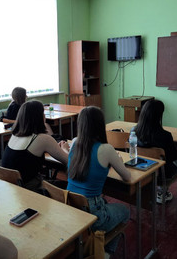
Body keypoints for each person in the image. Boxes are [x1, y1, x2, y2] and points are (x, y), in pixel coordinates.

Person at [67, 106, 131, 255]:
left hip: (71, 209)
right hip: (94, 215)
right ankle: (106, 252)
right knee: (125, 211)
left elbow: (88, 167)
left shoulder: (75, 142)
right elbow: (127, 177)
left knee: (107, 204)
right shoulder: (106, 149)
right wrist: (117, 161)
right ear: (100, 125)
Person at [134, 100, 177, 203]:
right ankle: (163, 191)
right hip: (160, 175)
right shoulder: (165, 135)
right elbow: (172, 157)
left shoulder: (133, 131)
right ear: (159, 115)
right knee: (175, 162)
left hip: (139, 170)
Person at [2, 100, 69, 192]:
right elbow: (68, 161)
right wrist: (64, 149)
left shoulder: (15, 135)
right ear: (39, 117)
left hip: (11, 188)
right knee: (68, 186)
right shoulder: (42, 138)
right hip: (30, 189)